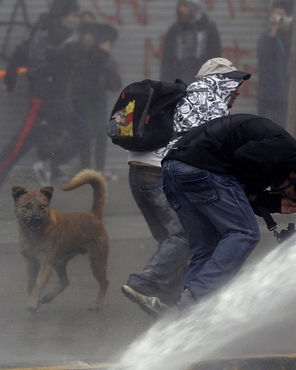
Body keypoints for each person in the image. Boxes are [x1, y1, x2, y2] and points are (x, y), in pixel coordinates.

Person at [121, 57, 251, 317]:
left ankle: (167, 306)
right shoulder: (208, 99)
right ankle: (146, 285)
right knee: (187, 235)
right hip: (158, 173)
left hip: (139, 172)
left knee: (172, 241)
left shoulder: (189, 95)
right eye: (232, 83)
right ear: (218, 81)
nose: (237, 90)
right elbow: (214, 149)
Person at [162, 113, 296, 308]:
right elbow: (242, 163)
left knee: (208, 248)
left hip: (173, 168)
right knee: (245, 233)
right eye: (285, 190)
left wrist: (270, 203)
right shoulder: (288, 151)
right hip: (201, 168)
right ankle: (194, 299)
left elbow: (238, 191)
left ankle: (185, 316)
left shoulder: (277, 149)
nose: (277, 190)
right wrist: (265, 200)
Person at [0, 0, 86, 186]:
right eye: (73, 15)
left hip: (55, 98)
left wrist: (10, 79)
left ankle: (49, 164)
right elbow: (70, 63)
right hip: (45, 98)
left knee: (82, 132)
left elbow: (21, 51)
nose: (75, 19)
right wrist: (77, 44)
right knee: (22, 142)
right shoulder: (60, 33)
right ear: (64, 15)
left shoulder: (42, 30)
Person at [70, 19, 122, 180]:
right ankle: (85, 168)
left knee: (100, 132)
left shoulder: (104, 56)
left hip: (98, 96)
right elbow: (86, 70)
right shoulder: (82, 52)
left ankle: (99, 169)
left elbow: (113, 81)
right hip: (83, 97)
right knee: (86, 133)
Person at [256, 0, 296, 136]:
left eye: (280, 15)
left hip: (288, 98)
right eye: (274, 14)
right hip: (271, 101)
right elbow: (263, 57)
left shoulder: (290, 38)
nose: (277, 18)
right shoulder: (267, 38)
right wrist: (274, 30)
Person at [160, 0, 222, 84]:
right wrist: (166, 82)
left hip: (203, 82)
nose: (182, 9)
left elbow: (215, 55)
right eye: (180, 6)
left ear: (194, 7)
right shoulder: (174, 30)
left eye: (186, 6)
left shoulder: (208, 29)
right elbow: (167, 58)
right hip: (179, 81)